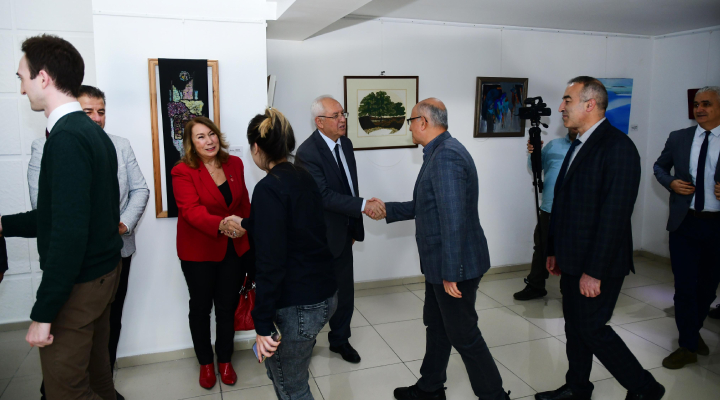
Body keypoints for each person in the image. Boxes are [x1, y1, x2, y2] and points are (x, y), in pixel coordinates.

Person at [0, 34, 123, 400]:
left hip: (80, 284)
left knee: (66, 390)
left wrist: (44, 312)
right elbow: (63, 215)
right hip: (102, 274)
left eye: (22, 77)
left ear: (43, 77)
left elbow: (69, 234)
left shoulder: (67, 138)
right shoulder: (91, 133)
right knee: (99, 379)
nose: (21, 89)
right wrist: (5, 224)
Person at [537, 77, 664, 400]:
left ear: (590, 104)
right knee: (574, 326)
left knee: (592, 328)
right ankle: (578, 387)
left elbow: (614, 216)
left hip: (599, 263)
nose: (561, 107)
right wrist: (554, 250)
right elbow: (564, 203)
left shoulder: (618, 148)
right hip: (572, 257)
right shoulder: (579, 143)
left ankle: (645, 388)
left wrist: (594, 271)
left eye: (568, 100)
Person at [28, 84, 149, 400]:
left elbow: (140, 189)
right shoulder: (48, 146)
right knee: (69, 338)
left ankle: (103, 382)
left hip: (117, 251)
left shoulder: (118, 145)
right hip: (76, 261)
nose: (96, 118)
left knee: (108, 324)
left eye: (101, 111)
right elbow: (47, 211)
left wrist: (122, 224)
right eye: (88, 112)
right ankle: (59, 388)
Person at [385, 98, 510, 400]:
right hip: (440, 263)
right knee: (437, 325)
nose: (409, 127)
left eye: (411, 121)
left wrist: (451, 272)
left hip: (453, 265)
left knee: (464, 335)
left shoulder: (446, 156)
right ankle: (430, 387)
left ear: (424, 122)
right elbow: (426, 205)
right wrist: (386, 209)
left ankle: (495, 396)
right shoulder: (439, 151)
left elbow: (452, 219)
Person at [226, 108, 337, 400]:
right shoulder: (303, 176)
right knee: (283, 374)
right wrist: (247, 223)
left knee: (292, 388)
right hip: (324, 293)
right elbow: (293, 226)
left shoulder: (268, 188)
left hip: (298, 304)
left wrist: (262, 323)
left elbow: (270, 262)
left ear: (256, 147)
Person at [295, 95, 385, 364]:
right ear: (319, 122)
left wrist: (354, 224)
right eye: (335, 116)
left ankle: (340, 340)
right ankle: (306, 341)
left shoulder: (345, 144)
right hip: (319, 236)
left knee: (345, 292)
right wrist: (363, 206)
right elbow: (322, 196)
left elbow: (349, 186)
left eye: (342, 113)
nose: (342, 119)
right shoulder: (307, 153)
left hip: (344, 231)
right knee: (315, 294)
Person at [171, 117, 251, 389]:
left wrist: (246, 227)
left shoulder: (235, 163)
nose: (209, 141)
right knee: (201, 308)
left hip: (233, 249)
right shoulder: (182, 171)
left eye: (211, 134)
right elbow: (190, 210)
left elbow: (244, 203)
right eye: (201, 137)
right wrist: (222, 224)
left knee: (227, 308)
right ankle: (205, 363)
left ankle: (225, 360)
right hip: (198, 251)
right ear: (191, 143)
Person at [653, 86, 720, 369]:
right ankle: (687, 345)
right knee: (684, 287)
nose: (699, 109)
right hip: (685, 223)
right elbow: (659, 167)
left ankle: (691, 331)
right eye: (696, 104)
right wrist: (670, 182)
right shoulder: (679, 138)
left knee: (708, 287)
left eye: (706, 104)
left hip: (717, 226)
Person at [513, 128, 577, 301]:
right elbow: (535, 168)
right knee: (541, 247)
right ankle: (536, 286)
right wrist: (534, 153)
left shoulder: (589, 147)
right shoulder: (554, 145)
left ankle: (569, 290)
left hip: (575, 210)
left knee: (571, 250)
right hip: (549, 208)